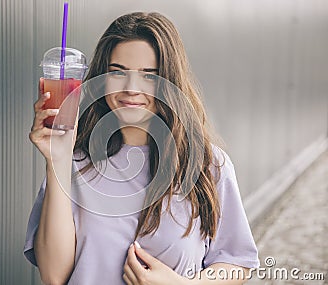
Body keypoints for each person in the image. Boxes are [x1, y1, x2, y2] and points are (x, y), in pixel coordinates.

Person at [25, 12, 259, 285]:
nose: (131, 88)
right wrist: (58, 160)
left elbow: (235, 261)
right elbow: (54, 276)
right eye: (117, 72)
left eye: (150, 76)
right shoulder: (73, 162)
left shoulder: (208, 164)